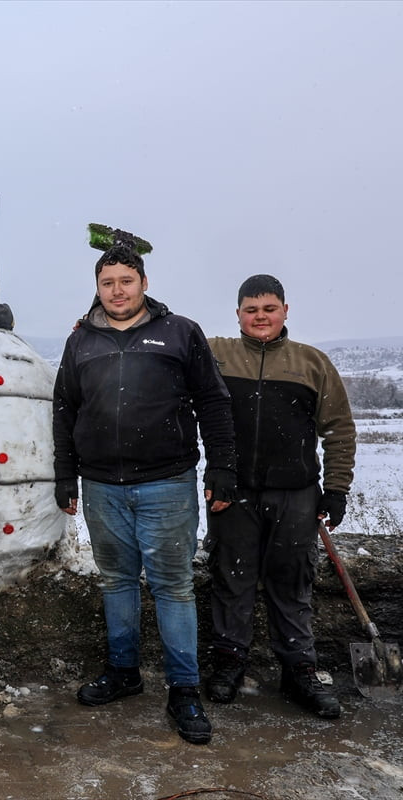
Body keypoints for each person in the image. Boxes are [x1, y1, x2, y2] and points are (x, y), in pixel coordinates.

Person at [52, 227, 237, 745]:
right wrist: (66, 474)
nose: (117, 291)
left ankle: (184, 689)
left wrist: (223, 466)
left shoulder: (180, 332)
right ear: (97, 286)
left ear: (143, 282)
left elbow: (214, 402)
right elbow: (64, 408)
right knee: (116, 580)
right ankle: (124, 671)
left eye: (125, 281)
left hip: (167, 483)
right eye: (107, 282)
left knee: (173, 586)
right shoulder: (80, 341)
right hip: (102, 486)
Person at [203, 274, 355, 719]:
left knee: (292, 581)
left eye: (269, 309)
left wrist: (337, 490)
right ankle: (230, 661)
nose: (260, 317)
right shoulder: (216, 354)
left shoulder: (311, 363)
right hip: (232, 492)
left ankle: (299, 669)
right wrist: (91, 321)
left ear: (285, 311)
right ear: (238, 315)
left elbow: (339, 429)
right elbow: (163, 332)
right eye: (251, 310)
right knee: (231, 577)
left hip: (296, 494)